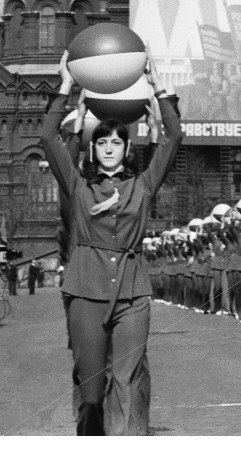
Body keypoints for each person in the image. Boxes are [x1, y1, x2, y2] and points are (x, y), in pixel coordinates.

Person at [41, 48, 181, 435]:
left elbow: (173, 139)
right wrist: (66, 88)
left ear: (126, 148)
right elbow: (47, 137)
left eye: (116, 142)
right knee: (91, 391)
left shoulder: (143, 186)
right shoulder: (78, 185)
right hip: (86, 291)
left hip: (133, 295)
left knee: (128, 380)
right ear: (93, 148)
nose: (108, 148)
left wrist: (158, 88)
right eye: (102, 142)